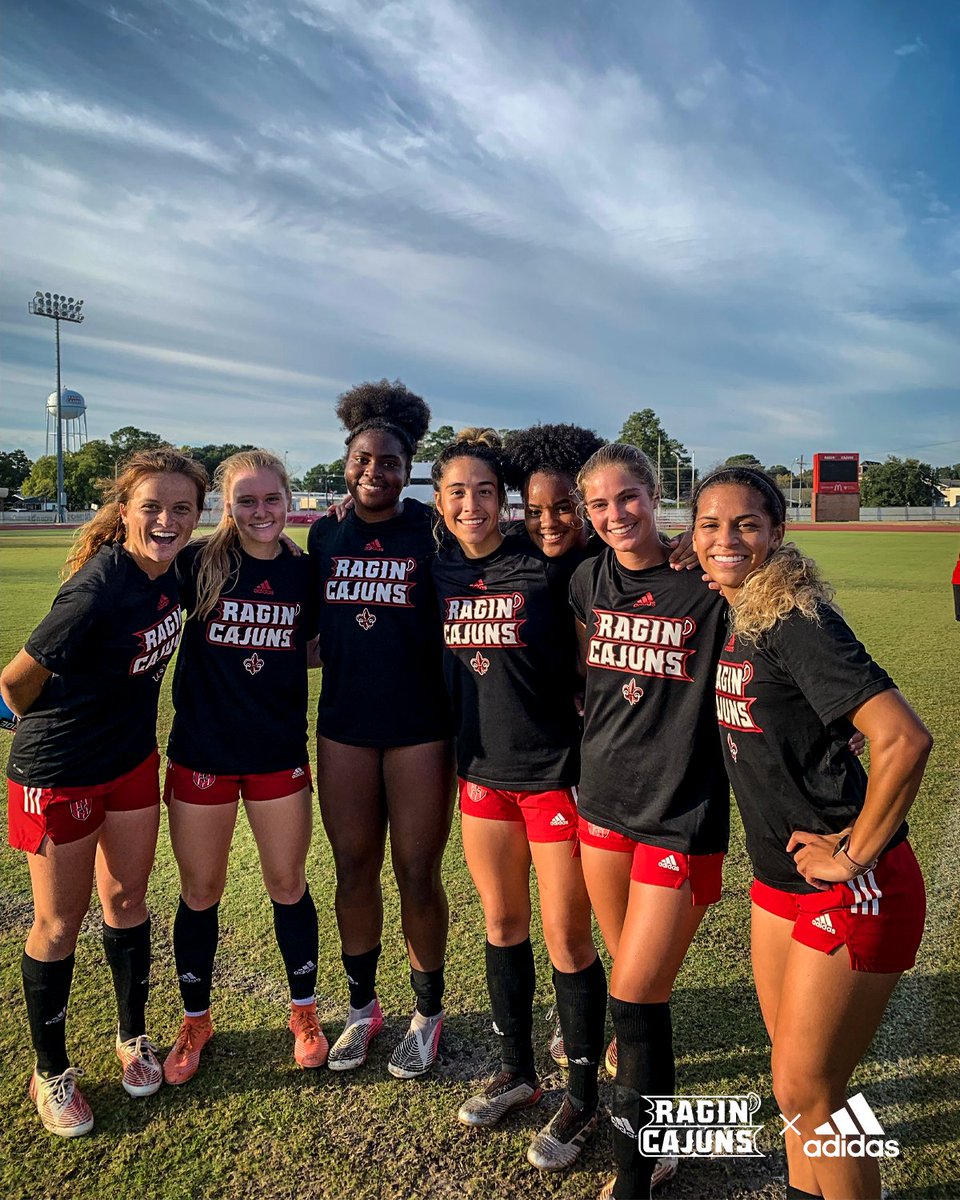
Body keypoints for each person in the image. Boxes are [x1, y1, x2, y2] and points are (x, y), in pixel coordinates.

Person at [692, 466, 930, 1200]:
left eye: (746, 524)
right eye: (710, 525)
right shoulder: (739, 608)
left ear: (777, 531)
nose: (727, 539)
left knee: (813, 1089)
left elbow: (904, 739)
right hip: (779, 881)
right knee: (793, 1083)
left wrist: (854, 853)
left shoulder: (794, 619)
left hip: (855, 884)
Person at [1, 448, 206, 1136]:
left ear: (196, 516)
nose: (166, 520)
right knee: (59, 924)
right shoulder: (97, 587)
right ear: (124, 512)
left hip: (131, 763)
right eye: (152, 507)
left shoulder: (175, 570)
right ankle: (50, 1070)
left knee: (125, 901)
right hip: (60, 771)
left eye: (181, 508)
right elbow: (13, 684)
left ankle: (131, 1035)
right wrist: (54, 727)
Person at [432, 429, 607, 1172]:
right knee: (503, 925)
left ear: (502, 499)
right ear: (439, 501)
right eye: (456, 492)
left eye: (484, 491)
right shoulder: (438, 565)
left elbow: (617, 589)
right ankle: (518, 1072)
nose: (471, 505)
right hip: (480, 774)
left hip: (554, 775)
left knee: (567, 939)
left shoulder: (547, 563)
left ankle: (583, 1097)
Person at [569, 443, 730, 1199]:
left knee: (633, 996)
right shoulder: (587, 580)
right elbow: (590, 677)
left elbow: (772, 636)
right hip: (601, 802)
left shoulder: (707, 582)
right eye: (599, 505)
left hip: (680, 812)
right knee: (637, 989)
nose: (615, 515)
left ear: (656, 492)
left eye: (627, 497)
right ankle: (660, 1128)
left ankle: (638, 1172)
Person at [162, 449, 323, 1085]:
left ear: (289, 500)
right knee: (200, 892)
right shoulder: (199, 562)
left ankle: (304, 1013)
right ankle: (195, 1021)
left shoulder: (303, 571)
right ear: (226, 506)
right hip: (202, 752)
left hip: (277, 753)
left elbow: (311, 646)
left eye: (271, 499)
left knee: (288, 884)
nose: (261, 511)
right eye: (246, 501)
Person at [308, 380, 454, 1079]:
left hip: (420, 725)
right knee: (353, 867)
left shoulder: (433, 527)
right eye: (362, 460)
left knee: (418, 872)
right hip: (344, 724)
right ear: (346, 463)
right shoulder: (325, 531)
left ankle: (428, 1013)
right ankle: (362, 1009)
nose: (374, 472)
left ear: (408, 468)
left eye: (389, 462)